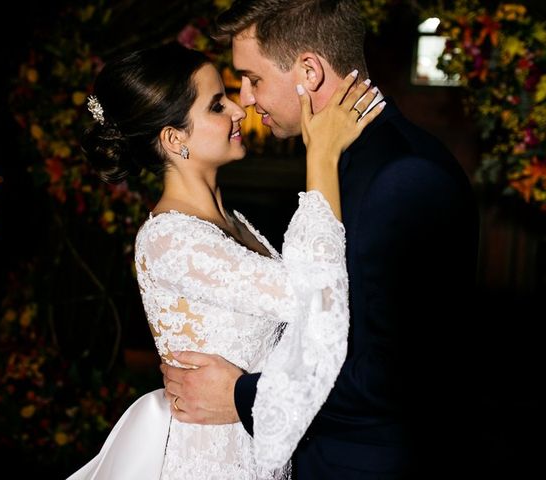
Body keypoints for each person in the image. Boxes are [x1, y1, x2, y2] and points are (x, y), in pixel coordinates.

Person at [160, 1, 482, 479]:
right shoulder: (346, 160)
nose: (245, 99)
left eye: (254, 79)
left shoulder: (404, 176)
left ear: (309, 71)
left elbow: (389, 377)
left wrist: (239, 395)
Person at [67, 41, 384, 479]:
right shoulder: (169, 239)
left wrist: (241, 392)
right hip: (211, 461)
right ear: (175, 138)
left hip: (257, 449)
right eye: (217, 105)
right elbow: (312, 298)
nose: (240, 109)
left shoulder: (234, 222)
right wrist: (323, 156)